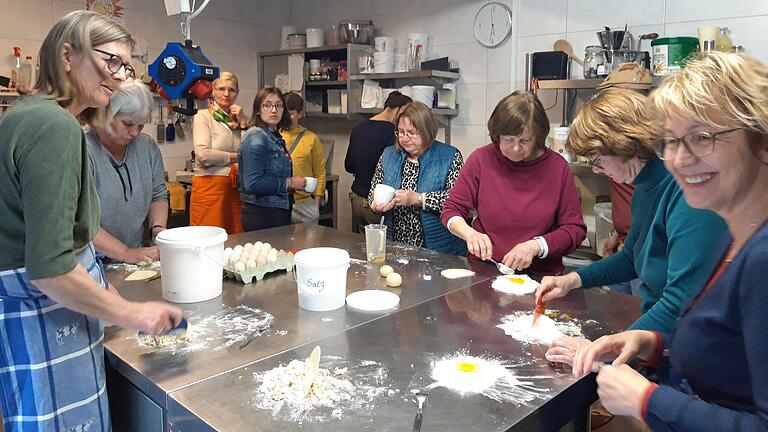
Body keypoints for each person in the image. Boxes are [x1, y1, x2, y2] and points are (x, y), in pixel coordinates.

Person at [565, 52, 768, 432]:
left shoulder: (762, 257)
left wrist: (647, 400)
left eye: (702, 137)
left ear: (762, 139)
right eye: (671, 141)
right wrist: (650, 343)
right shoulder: (735, 237)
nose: (679, 158)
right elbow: (725, 354)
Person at [0, 11, 182, 431]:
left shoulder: (32, 115)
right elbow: (51, 269)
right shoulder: (53, 128)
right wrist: (133, 314)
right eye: (111, 61)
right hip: (43, 320)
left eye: (126, 65)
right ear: (68, 55)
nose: (119, 76)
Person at [535, 88, 727, 332]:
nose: (596, 170)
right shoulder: (644, 189)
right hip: (661, 338)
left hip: (692, 342)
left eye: (596, 159)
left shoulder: (688, 194)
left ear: (623, 145)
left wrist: (612, 348)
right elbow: (631, 259)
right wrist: (572, 280)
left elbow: (680, 302)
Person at [442, 91, 586, 275]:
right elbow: (452, 209)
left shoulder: (557, 168)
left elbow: (574, 230)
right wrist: (470, 234)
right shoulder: (481, 160)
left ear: (538, 137)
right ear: (497, 135)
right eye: (509, 140)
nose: (516, 148)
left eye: (525, 141)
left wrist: (537, 246)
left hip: (540, 276)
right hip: (487, 269)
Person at [87, 79, 168, 264]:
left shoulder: (147, 147)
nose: (135, 132)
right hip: (92, 262)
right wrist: (125, 253)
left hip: (136, 257)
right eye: (128, 124)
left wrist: (158, 229)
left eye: (140, 125)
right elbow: (80, 221)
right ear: (107, 113)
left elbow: (158, 194)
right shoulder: (84, 150)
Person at [368, 101, 466, 255]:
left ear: (426, 131)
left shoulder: (449, 157)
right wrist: (375, 205)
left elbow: (457, 201)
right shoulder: (389, 155)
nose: (405, 138)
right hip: (396, 246)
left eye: (411, 133)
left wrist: (419, 199)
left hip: (438, 248)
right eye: (400, 132)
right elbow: (373, 192)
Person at [239, 87, 307, 231]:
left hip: (276, 209)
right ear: (258, 110)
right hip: (262, 213)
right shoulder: (256, 137)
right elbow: (252, 183)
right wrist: (289, 183)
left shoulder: (273, 135)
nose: (274, 110)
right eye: (267, 105)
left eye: (278, 105)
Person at [345, 91, 412, 233]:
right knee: (381, 247)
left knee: (363, 247)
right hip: (377, 203)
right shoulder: (392, 133)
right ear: (398, 110)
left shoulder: (358, 128)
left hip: (356, 199)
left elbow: (349, 166)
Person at [191, 71, 247, 234]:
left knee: (236, 238)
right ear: (213, 91)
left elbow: (249, 152)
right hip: (209, 188)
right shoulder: (203, 117)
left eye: (232, 90)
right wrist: (237, 157)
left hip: (236, 189)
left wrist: (243, 123)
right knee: (207, 238)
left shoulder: (240, 120)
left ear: (237, 93)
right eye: (221, 89)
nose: (226, 94)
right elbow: (204, 156)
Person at [281, 92, 326, 224]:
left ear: (300, 114)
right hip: (281, 201)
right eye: (284, 113)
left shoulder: (311, 139)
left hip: (305, 203)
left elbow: (320, 173)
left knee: (309, 243)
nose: (286, 118)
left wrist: (316, 204)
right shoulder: (273, 136)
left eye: (291, 113)